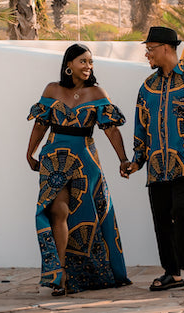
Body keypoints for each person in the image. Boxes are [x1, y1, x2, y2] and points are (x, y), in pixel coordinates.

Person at [27, 43, 132, 296]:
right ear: (69, 65)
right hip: (54, 158)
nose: (88, 66)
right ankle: (59, 275)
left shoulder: (97, 93)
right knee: (58, 210)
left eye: (90, 62)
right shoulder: (52, 89)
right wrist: (29, 152)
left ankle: (88, 272)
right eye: (83, 61)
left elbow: (111, 129)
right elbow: (41, 124)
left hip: (86, 161)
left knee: (87, 216)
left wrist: (123, 159)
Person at [119, 25, 184, 292]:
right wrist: (137, 161)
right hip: (157, 166)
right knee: (162, 217)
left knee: (182, 211)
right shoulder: (147, 87)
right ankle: (172, 273)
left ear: (166, 48)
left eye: (150, 50)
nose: (147, 55)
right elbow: (141, 126)